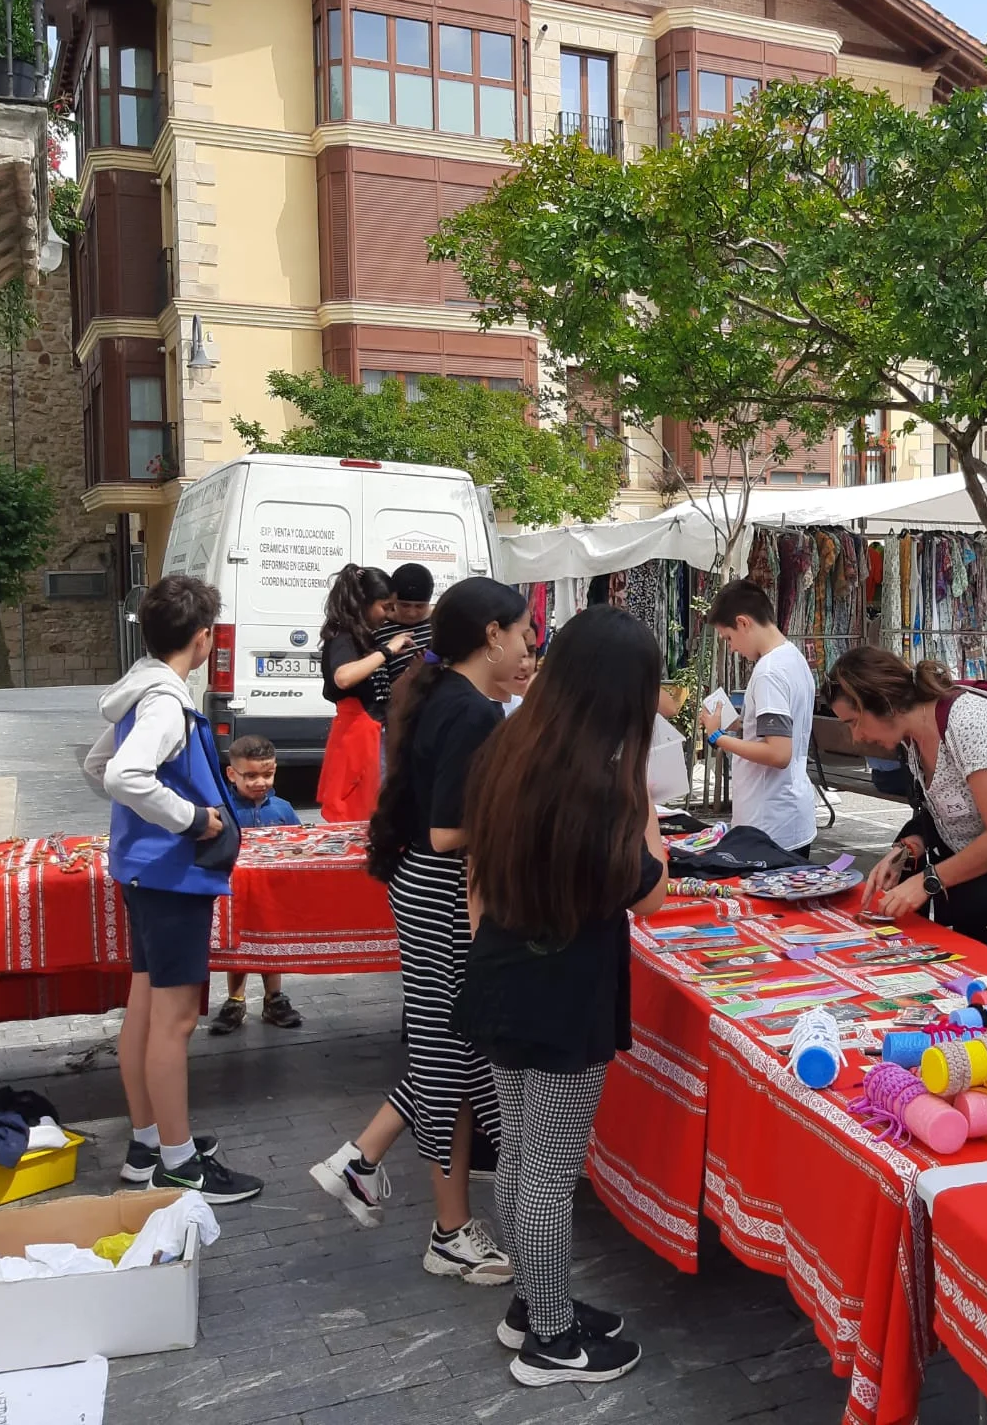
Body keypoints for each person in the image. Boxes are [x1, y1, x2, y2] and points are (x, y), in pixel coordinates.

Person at [458, 604, 666, 1387]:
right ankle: (550, 1339)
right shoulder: (600, 782)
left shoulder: (508, 747)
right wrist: (643, 799)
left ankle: (532, 1303)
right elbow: (651, 893)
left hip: (503, 974)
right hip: (564, 991)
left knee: (518, 1150)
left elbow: (476, 877)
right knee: (549, 1170)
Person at [309, 577, 533, 1283]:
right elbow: (448, 831)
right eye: (523, 633)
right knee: (455, 1051)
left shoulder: (446, 696)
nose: (528, 648)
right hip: (444, 890)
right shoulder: (470, 712)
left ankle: (375, 1168)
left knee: (452, 1048)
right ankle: (435, 1217)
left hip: (425, 886)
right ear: (492, 635)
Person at [84, 575, 265, 1204]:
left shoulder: (142, 689)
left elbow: (99, 766)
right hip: (172, 878)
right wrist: (192, 819)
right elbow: (123, 776)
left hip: (142, 873)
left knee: (145, 1007)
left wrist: (145, 822)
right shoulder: (165, 700)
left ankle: (148, 1144)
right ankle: (180, 1163)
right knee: (176, 1020)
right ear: (203, 638)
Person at [829, 647, 987, 968]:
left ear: (882, 702)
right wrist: (908, 848)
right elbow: (945, 809)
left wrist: (927, 881)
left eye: (854, 722)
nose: (856, 737)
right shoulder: (914, 735)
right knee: (967, 976)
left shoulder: (968, 721)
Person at [700, 579, 817, 857]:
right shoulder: (793, 657)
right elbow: (782, 732)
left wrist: (718, 737)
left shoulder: (769, 672)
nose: (732, 648)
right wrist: (741, 725)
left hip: (769, 824)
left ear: (743, 623)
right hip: (787, 814)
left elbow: (778, 753)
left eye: (728, 638)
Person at [212, 735, 304, 1035]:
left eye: (267, 774)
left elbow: (299, 846)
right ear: (231, 774)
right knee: (237, 947)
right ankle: (235, 1000)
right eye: (250, 776)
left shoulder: (283, 810)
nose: (260, 782)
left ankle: (274, 998)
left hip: (273, 894)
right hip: (235, 895)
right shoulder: (221, 812)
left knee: (271, 944)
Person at [317, 563, 407, 822]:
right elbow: (343, 677)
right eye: (385, 607)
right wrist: (387, 650)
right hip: (357, 736)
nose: (389, 615)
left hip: (374, 731)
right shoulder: (342, 635)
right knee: (359, 817)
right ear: (364, 602)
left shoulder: (364, 637)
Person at [372, 562, 436, 716]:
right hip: (399, 717)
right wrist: (411, 673)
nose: (412, 613)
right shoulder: (377, 629)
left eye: (420, 606)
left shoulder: (441, 623)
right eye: (405, 605)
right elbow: (381, 697)